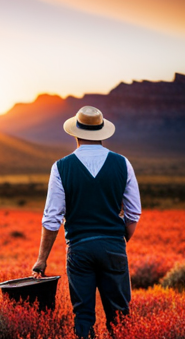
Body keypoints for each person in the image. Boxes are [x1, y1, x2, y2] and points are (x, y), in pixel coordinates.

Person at [31, 106, 141, 338]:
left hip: (79, 250)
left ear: (75, 133)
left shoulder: (61, 167)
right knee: (120, 316)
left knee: (82, 316)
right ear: (102, 132)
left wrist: (41, 260)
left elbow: (52, 219)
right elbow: (133, 214)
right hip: (113, 248)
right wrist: (119, 241)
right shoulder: (123, 163)